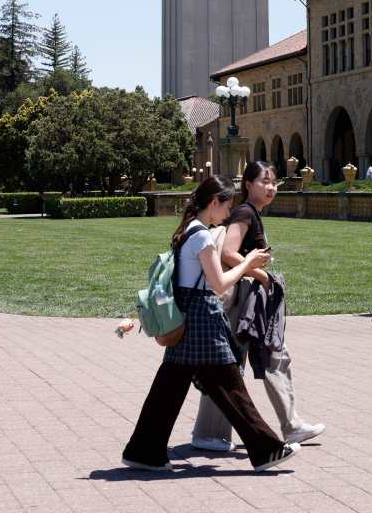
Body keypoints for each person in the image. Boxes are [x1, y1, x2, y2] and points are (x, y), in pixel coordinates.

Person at [122, 176, 299, 472]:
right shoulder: (202, 236)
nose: (229, 212)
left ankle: (143, 451)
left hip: (188, 314)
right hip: (202, 317)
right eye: (227, 205)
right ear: (214, 202)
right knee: (228, 384)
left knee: (172, 384)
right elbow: (219, 284)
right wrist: (248, 263)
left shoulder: (188, 230)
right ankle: (267, 450)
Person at [192, 161, 326, 453]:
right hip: (242, 298)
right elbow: (228, 252)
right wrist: (261, 275)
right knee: (248, 360)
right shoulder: (245, 212)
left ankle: (285, 425)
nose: (271, 187)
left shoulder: (250, 213)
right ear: (248, 185)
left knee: (257, 358)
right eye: (264, 181)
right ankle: (211, 433)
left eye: (274, 182)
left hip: (248, 297)